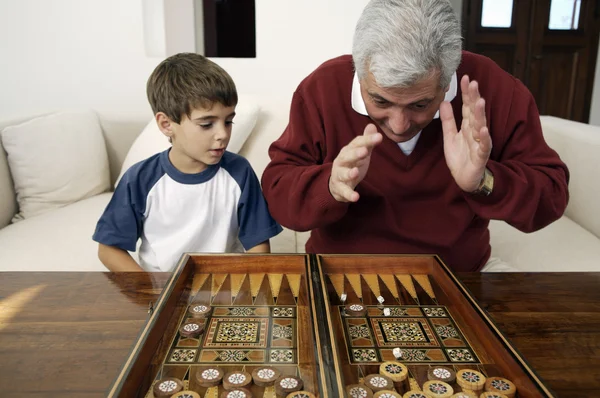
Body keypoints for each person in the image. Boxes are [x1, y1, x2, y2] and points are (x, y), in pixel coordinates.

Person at [260, 0, 569, 272]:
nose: (398, 125)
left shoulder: (494, 90)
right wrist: (329, 185)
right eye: (380, 101)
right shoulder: (322, 89)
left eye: (419, 104)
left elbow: (552, 197)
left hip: (461, 274)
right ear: (359, 70)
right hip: (339, 272)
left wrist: (484, 181)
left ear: (448, 78)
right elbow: (277, 190)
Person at [93, 53, 282, 272]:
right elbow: (108, 249)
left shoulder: (240, 172)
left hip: (226, 290)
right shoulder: (139, 179)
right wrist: (150, 292)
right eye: (206, 124)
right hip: (161, 292)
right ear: (166, 124)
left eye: (228, 121)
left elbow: (258, 243)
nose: (222, 134)